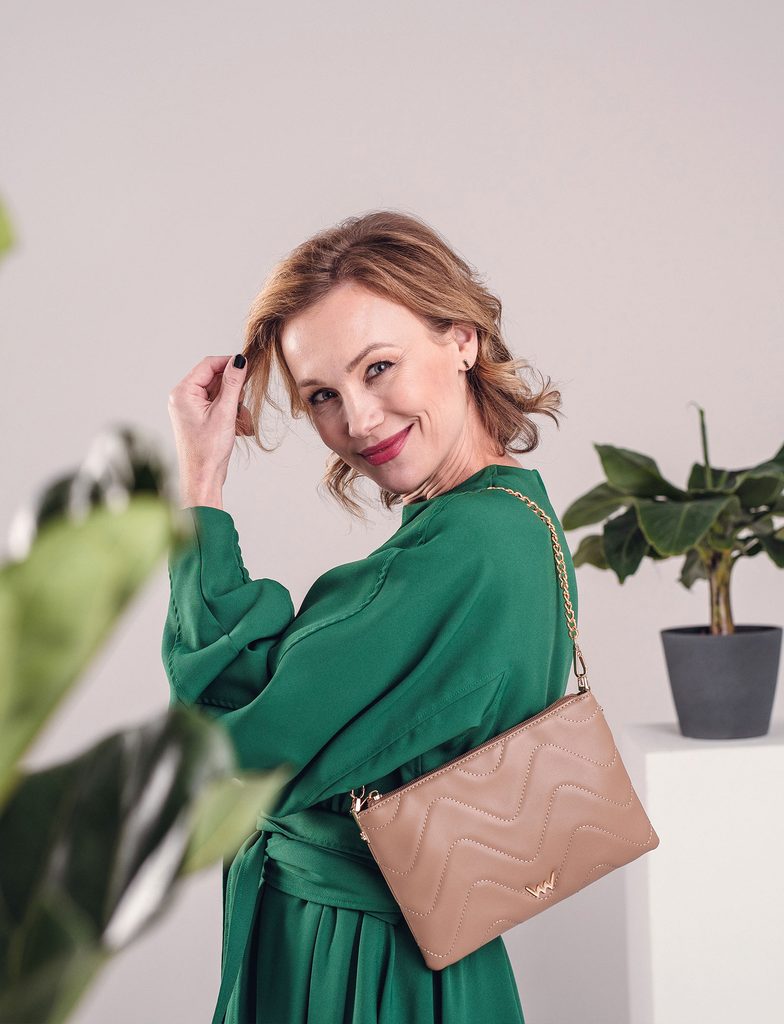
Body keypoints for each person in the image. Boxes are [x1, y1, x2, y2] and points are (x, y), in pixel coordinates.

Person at [162, 210, 578, 1024]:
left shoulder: (469, 547)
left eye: (378, 367)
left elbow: (238, 730)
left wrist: (200, 486)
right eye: (322, 395)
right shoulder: (507, 516)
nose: (356, 420)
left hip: (363, 968)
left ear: (462, 340)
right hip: (389, 953)